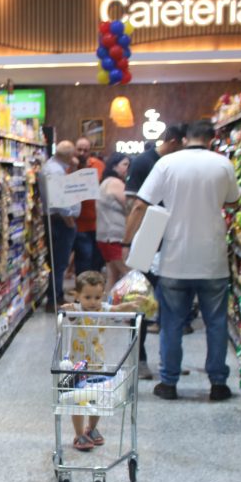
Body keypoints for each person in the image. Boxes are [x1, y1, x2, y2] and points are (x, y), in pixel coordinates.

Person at [124, 120, 241, 402]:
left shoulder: (167, 164)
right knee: (216, 323)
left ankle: (169, 382)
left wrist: (127, 241)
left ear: (185, 138)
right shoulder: (223, 164)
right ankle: (218, 384)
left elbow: (140, 204)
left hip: (174, 258)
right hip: (212, 259)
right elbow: (233, 201)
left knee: (171, 324)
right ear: (211, 139)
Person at [123, 123, 186, 381]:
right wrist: (127, 242)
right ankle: (139, 359)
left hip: (172, 238)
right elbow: (133, 205)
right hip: (148, 238)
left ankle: (168, 362)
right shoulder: (143, 162)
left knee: (171, 305)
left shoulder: (177, 164)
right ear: (174, 141)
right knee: (140, 302)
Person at [60, 271, 141, 450]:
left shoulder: (103, 309)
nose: (93, 302)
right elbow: (70, 313)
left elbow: (117, 309)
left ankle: (92, 428)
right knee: (78, 400)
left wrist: (129, 305)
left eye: (97, 297)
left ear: (103, 295)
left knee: (98, 398)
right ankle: (79, 434)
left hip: (98, 364)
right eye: (87, 297)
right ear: (77, 296)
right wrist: (68, 308)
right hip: (77, 366)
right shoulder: (77, 310)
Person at [44, 140, 79, 309]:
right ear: (68, 155)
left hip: (58, 220)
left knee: (58, 262)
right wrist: (69, 222)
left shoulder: (54, 167)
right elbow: (59, 201)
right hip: (60, 221)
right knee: (59, 263)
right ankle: (54, 298)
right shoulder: (56, 171)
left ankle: (56, 295)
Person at [95, 153, 131, 289]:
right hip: (115, 236)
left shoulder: (105, 182)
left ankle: (109, 302)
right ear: (114, 166)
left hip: (105, 236)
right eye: (125, 164)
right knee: (130, 275)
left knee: (113, 276)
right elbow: (130, 206)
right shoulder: (116, 183)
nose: (128, 168)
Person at [73, 137, 106, 275]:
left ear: (90, 151)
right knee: (84, 258)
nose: (82, 153)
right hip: (78, 221)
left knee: (97, 258)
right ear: (75, 150)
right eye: (79, 149)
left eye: (85, 150)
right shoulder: (69, 166)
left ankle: (94, 285)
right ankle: (82, 286)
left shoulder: (98, 165)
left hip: (97, 221)